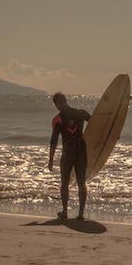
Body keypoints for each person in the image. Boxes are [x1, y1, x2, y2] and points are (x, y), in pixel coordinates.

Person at [48, 92, 91, 220]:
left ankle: (71, 212)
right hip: (77, 152)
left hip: (71, 153)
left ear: (58, 103)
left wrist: (50, 160)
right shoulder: (80, 113)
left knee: (72, 183)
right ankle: (75, 213)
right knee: (75, 182)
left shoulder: (59, 119)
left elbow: (53, 141)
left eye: (60, 102)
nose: (60, 105)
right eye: (59, 103)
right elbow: (54, 140)